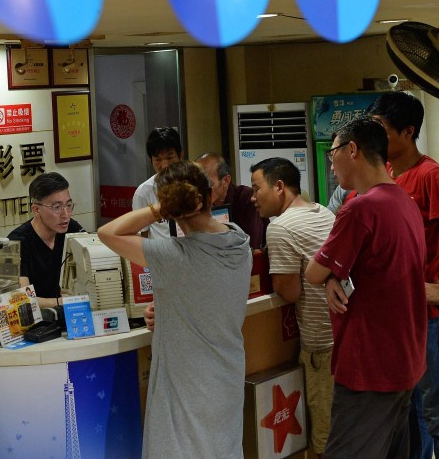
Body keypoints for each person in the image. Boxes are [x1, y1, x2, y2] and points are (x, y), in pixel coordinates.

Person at [98, 160, 251, 458]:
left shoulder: (172, 256)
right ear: (210, 196)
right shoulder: (239, 241)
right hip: (227, 377)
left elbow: (108, 233)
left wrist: (158, 209)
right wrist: (168, 308)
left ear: (170, 207)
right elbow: (205, 294)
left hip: (185, 385)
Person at [368, 91, 439, 459]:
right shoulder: (385, 173)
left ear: (408, 131)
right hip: (397, 315)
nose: (375, 137)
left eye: (381, 129)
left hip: (428, 318)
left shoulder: (430, 175)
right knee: (413, 416)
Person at [305, 116, 426, 459]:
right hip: (405, 357)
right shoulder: (404, 200)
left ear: (353, 150)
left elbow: (313, 273)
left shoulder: (360, 208)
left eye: (333, 155)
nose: (331, 166)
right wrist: (333, 278)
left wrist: (327, 278)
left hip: (369, 364)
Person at [251, 157, 336, 458]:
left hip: (320, 347)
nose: (253, 197)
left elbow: (289, 291)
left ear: (279, 187)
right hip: (344, 336)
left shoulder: (280, 227)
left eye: (256, 188)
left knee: (325, 439)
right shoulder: (323, 212)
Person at [8, 172, 85, 308]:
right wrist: (63, 302)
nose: (65, 215)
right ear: (36, 209)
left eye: (69, 205)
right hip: (39, 318)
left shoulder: (72, 229)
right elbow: (23, 299)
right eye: (57, 207)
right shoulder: (18, 242)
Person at [197, 152, 269, 247]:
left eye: (207, 184)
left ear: (226, 181)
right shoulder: (195, 203)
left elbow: (251, 245)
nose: (199, 190)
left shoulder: (246, 197)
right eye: (195, 183)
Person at [131, 127, 184, 239]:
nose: (164, 165)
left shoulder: (193, 185)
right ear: (151, 160)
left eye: (169, 157)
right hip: (160, 250)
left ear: (180, 155)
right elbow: (142, 236)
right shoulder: (143, 192)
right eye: (158, 160)